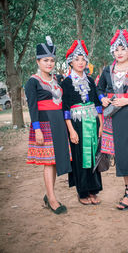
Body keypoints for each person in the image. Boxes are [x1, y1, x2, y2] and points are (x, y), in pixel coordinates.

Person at [97, 29, 128, 210]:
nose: (119, 53)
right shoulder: (107, 71)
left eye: (123, 49)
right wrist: (102, 98)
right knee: (120, 153)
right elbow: (99, 89)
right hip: (113, 117)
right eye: (116, 50)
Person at [25, 36, 72, 215]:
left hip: (58, 123)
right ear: (38, 61)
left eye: (52, 60)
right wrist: (37, 129)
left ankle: (49, 195)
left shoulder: (56, 80)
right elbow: (32, 107)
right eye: (45, 60)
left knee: (54, 161)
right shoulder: (33, 81)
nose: (49, 63)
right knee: (48, 162)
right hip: (44, 125)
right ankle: (51, 199)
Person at [62, 40, 103, 205]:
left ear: (86, 62)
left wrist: (101, 125)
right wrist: (71, 130)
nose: (80, 62)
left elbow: (97, 105)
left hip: (93, 124)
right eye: (77, 59)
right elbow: (65, 109)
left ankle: (94, 189)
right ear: (71, 62)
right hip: (77, 124)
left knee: (94, 156)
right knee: (80, 157)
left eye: (83, 59)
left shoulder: (91, 81)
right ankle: (82, 192)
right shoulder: (66, 83)